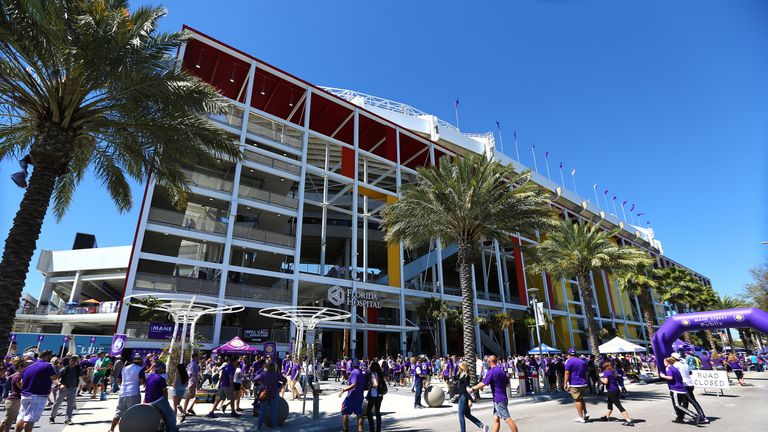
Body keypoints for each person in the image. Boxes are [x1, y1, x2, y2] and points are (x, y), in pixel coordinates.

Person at [470, 355, 518, 432]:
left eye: (488, 362)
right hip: (502, 398)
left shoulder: (491, 372)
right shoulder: (501, 371)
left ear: (490, 362)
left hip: (499, 399)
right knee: (496, 419)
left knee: (507, 418)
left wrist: (473, 388)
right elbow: (507, 384)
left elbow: (484, 383)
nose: (488, 363)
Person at [15, 350, 57, 432]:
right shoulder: (48, 366)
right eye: (50, 356)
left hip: (25, 394)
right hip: (37, 396)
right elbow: (54, 378)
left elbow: (21, 382)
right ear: (47, 356)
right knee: (30, 419)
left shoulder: (28, 367)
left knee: (21, 417)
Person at [109, 353, 146, 432]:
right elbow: (142, 381)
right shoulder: (140, 369)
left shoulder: (124, 368)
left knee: (119, 412)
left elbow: (119, 381)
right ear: (140, 361)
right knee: (133, 413)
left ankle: (111, 429)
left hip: (122, 392)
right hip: (133, 392)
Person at [659, 357, 699, 424]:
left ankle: (693, 415)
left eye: (664, 362)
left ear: (668, 362)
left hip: (675, 389)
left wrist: (662, 376)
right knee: (678, 404)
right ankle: (679, 418)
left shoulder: (669, 368)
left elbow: (670, 377)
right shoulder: (675, 369)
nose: (664, 363)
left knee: (677, 405)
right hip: (681, 388)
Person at [671, 353, 708, 424]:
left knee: (692, 401)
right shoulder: (685, 364)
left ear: (673, 358)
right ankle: (682, 415)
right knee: (685, 401)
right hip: (690, 384)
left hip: (684, 385)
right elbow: (690, 373)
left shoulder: (675, 365)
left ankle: (703, 416)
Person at [144, 362, 178, 432]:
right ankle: (172, 429)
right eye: (164, 368)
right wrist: (166, 402)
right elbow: (164, 392)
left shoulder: (150, 376)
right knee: (170, 414)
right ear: (160, 369)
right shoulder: (161, 379)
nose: (165, 369)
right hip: (157, 400)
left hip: (148, 400)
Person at [598, 361, 633, 426]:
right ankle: (606, 417)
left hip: (611, 391)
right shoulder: (613, 371)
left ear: (605, 367)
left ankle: (628, 420)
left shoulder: (606, 372)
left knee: (619, 406)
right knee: (609, 404)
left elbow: (605, 382)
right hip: (616, 389)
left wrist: (601, 379)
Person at [253, 362, 286, 431]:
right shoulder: (276, 374)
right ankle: (274, 427)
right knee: (273, 411)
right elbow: (285, 380)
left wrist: (262, 383)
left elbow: (254, 379)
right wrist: (280, 388)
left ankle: (259, 427)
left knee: (262, 411)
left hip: (265, 394)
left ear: (267, 367)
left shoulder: (263, 374)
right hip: (274, 394)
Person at [455, 362, 486, 432]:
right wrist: (458, 394)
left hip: (464, 397)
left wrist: (469, 400)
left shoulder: (466, 376)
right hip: (462, 395)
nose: (458, 368)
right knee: (468, 415)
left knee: (460, 415)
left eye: (459, 367)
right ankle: (482, 425)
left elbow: (468, 389)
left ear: (463, 368)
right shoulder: (462, 375)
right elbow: (462, 387)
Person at [50, 355, 81, 425]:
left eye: (75, 361)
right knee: (57, 403)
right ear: (69, 361)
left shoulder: (78, 368)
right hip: (64, 388)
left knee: (70, 405)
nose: (73, 362)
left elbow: (80, 376)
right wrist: (60, 385)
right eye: (72, 360)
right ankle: (52, 417)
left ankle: (68, 419)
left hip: (73, 388)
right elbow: (56, 378)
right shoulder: (64, 369)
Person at [339, 359, 366, 432]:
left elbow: (354, 384)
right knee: (359, 414)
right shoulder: (361, 372)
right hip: (360, 396)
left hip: (352, 396)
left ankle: (345, 429)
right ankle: (360, 430)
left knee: (345, 412)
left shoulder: (354, 372)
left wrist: (344, 390)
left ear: (352, 365)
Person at [0, 359, 26, 432]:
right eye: (24, 367)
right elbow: (21, 387)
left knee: (9, 421)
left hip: (15, 399)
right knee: (7, 420)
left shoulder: (18, 375)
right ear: (20, 367)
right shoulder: (17, 376)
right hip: (13, 400)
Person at [563, 348, 589, 423]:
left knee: (577, 400)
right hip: (583, 383)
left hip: (575, 383)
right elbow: (586, 373)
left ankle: (580, 417)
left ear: (569, 355)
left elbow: (567, 373)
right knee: (581, 398)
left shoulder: (569, 361)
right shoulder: (582, 361)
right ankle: (585, 413)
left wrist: (565, 383)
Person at [180, 353, 201, 422]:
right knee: (189, 397)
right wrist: (197, 383)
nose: (199, 358)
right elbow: (194, 374)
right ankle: (184, 411)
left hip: (191, 382)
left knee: (197, 396)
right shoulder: (195, 365)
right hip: (193, 382)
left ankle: (190, 408)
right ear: (195, 357)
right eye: (198, 356)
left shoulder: (190, 364)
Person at [366, 360, 385, 432]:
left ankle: (372, 429)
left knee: (368, 411)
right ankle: (378, 429)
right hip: (380, 395)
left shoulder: (373, 374)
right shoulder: (380, 373)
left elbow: (376, 384)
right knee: (377, 412)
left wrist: (371, 385)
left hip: (374, 395)